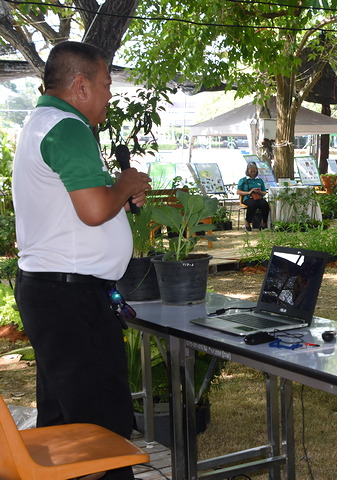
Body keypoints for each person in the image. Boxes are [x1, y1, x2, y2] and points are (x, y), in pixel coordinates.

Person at [12, 41, 151, 480]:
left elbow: (77, 208)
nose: (110, 94)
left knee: (66, 429)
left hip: (54, 293)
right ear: (80, 85)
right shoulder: (67, 127)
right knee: (102, 432)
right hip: (71, 299)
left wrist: (117, 196)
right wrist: (126, 183)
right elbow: (92, 212)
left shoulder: (43, 123)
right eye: (107, 84)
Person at [237, 162, 270, 231]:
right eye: (251, 171)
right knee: (253, 204)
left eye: (254, 171)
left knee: (265, 204)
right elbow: (238, 192)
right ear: (248, 171)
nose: (253, 173)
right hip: (248, 198)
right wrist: (249, 192)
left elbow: (264, 192)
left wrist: (259, 192)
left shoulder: (259, 180)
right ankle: (248, 222)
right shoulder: (243, 180)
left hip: (258, 197)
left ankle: (264, 222)